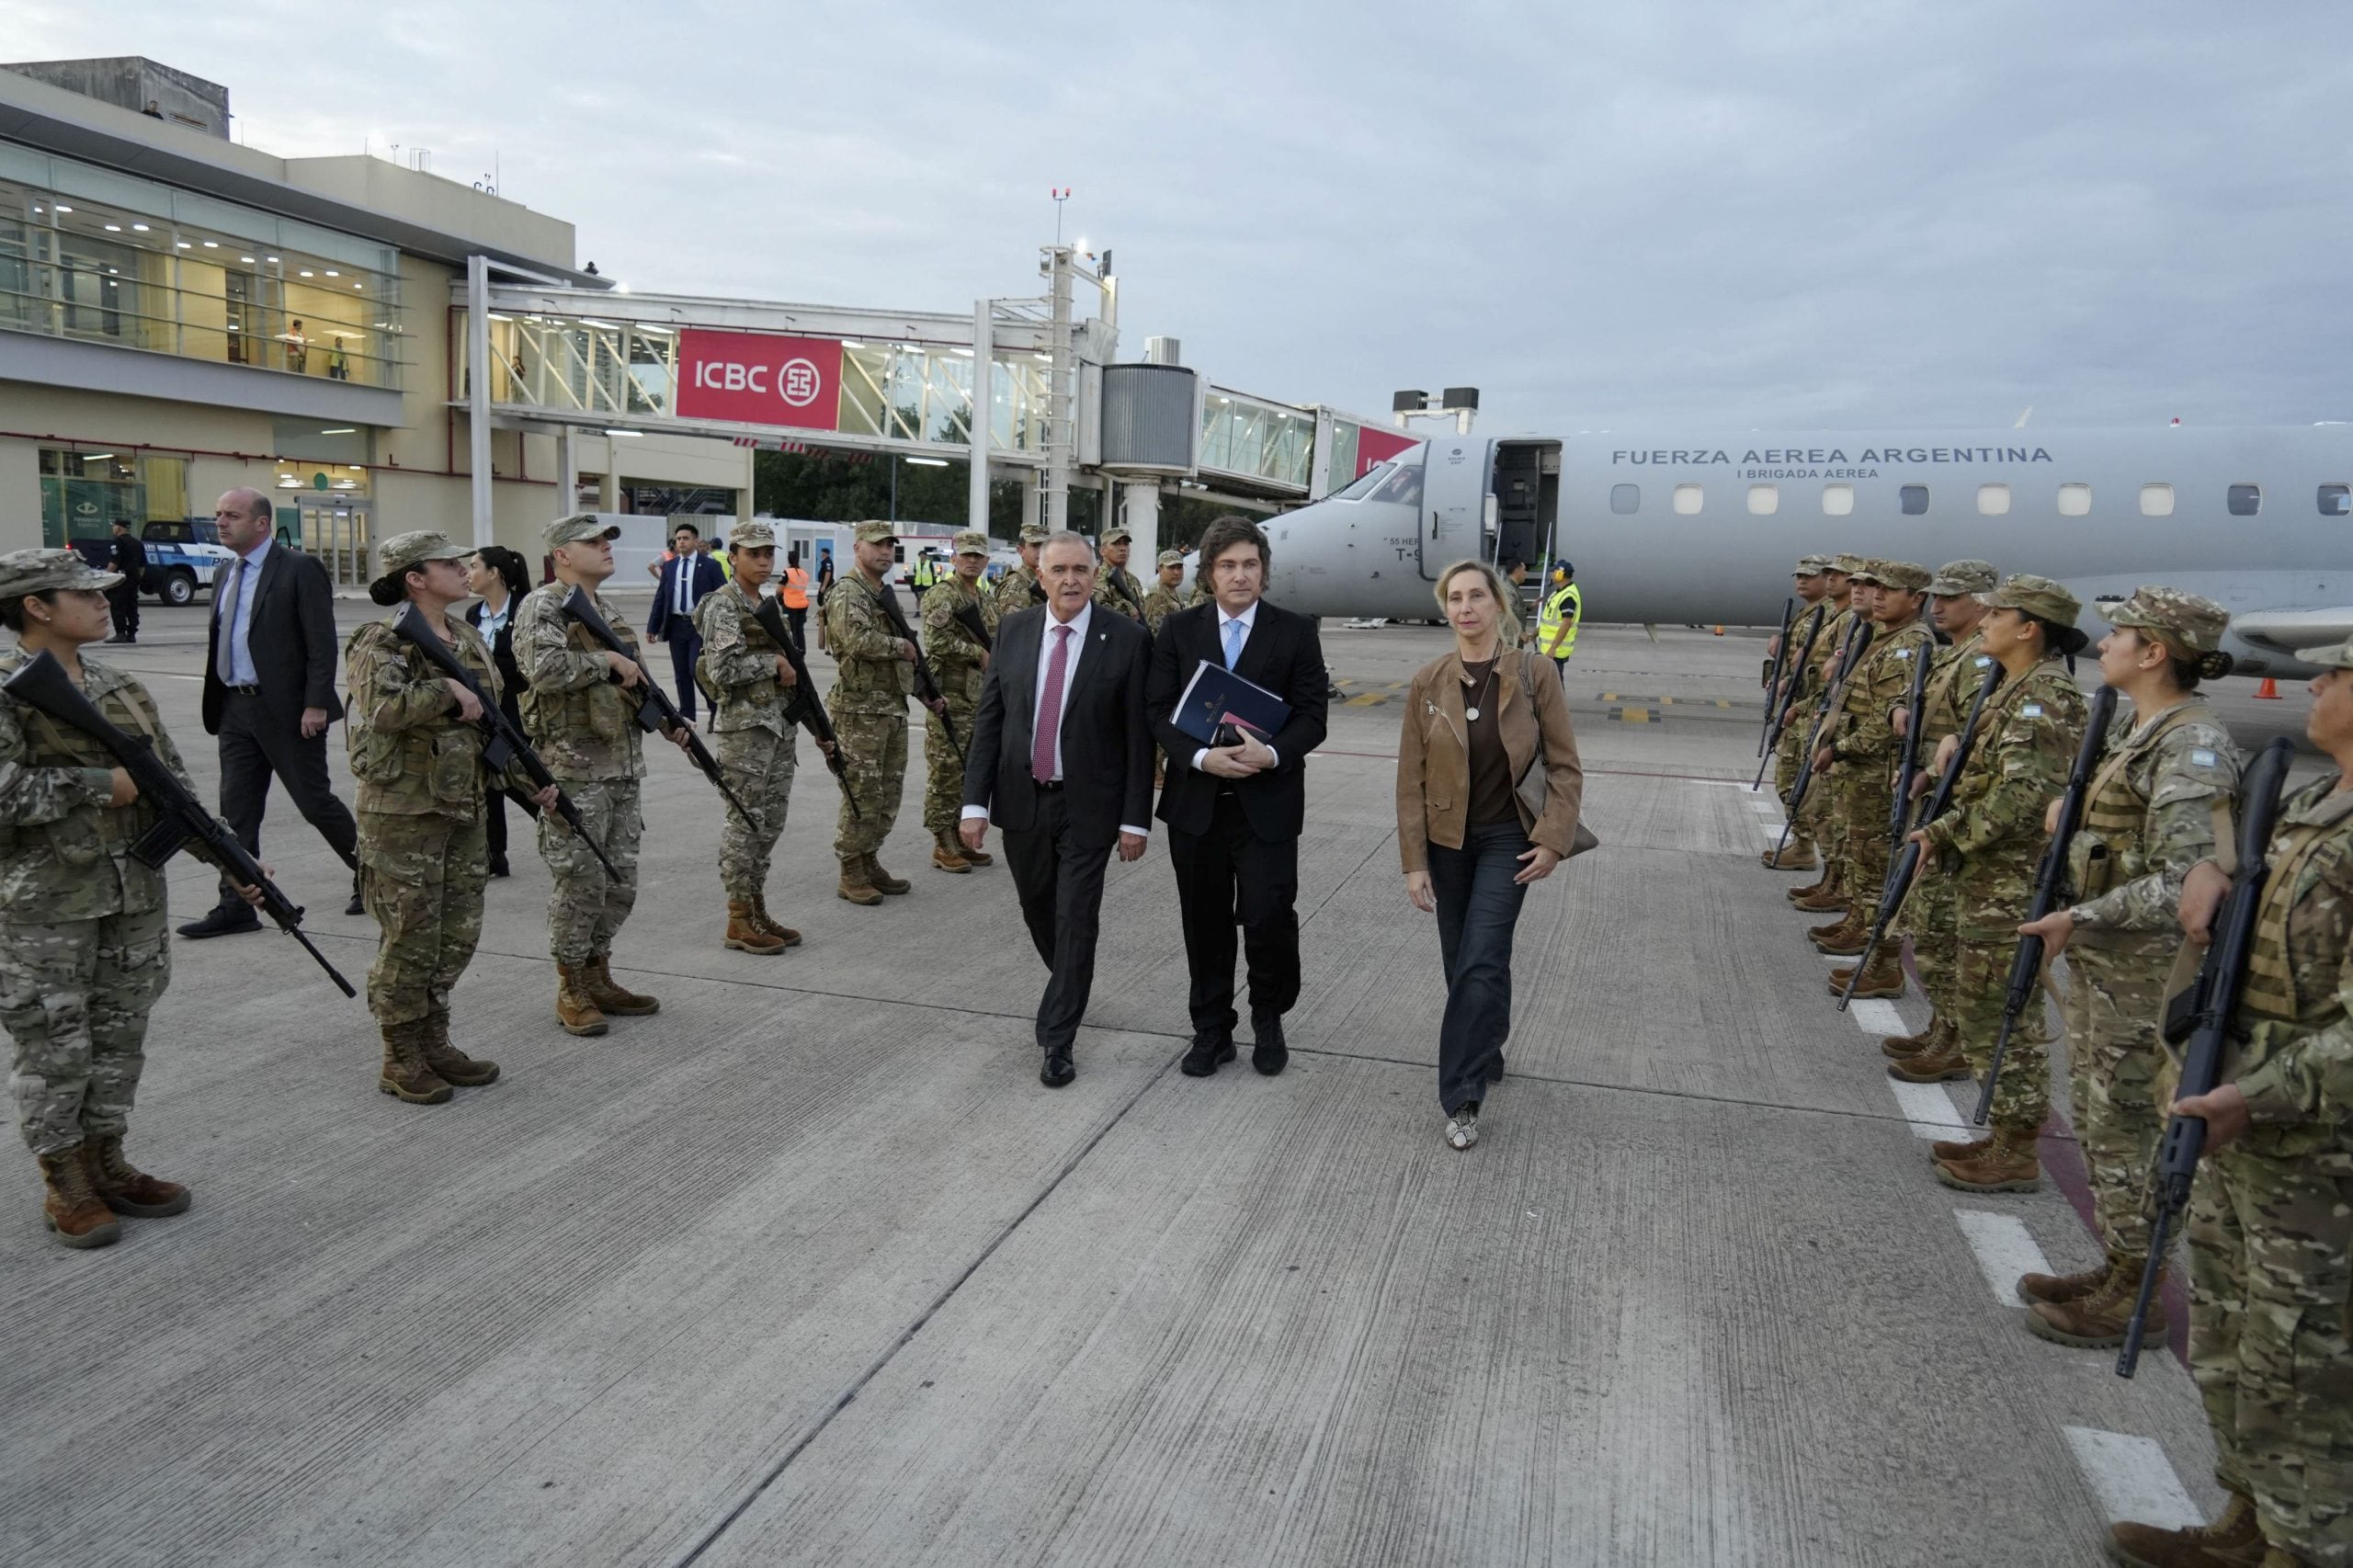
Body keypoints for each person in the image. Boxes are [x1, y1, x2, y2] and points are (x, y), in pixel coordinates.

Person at [2105, 630, 2353, 1568]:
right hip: (2243, 1129)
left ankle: (2302, 1549)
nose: (2317, 683)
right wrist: (2216, 869)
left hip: (2318, 1158)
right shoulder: (2308, 803)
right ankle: (2245, 1523)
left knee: (2303, 1372)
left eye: (2338, 674)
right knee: (2230, 1339)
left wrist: (2256, 1091)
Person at [0, 550, 265, 1248]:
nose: (104, 603)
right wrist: (94, 785)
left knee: (120, 1036)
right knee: (56, 1043)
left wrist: (229, 860)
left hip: (133, 895)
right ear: (36, 606)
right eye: (84, 594)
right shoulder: (6, 688)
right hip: (47, 904)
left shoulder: (121, 686)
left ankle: (108, 1160)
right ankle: (65, 1178)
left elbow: (173, 790)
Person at [2005, 587, 2240, 1350]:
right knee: (2108, 1128)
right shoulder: (2141, 732)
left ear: (2155, 653)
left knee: (2131, 1134)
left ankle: (2133, 1291)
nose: (2103, 645)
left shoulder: (2188, 747)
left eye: (2121, 635)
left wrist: (2081, 916)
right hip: (2113, 975)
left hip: (2146, 978)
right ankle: (2118, 1267)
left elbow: (2186, 878)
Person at [347, 532, 555, 1104]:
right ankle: (400, 1054)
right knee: (410, 937)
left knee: (456, 934)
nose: (465, 570)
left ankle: (435, 1041)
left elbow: (490, 722)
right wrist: (444, 690)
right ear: (415, 577)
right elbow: (383, 709)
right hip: (404, 813)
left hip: (465, 805)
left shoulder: (464, 634)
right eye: (448, 564)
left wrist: (527, 784)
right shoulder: (381, 640)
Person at [1908, 574, 2088, 1193]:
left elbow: (2023, 795)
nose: (1984, 620)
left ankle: (2017, 1149)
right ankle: (2005, 1136)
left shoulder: (2045, 696)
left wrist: (1948, 830)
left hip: (2009, 882)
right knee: (1984, 1008)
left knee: (2004, 1011)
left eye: (1998, 613)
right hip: (1986, 876)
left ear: (2029, 628)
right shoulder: (2010, 686)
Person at [1395, 559, 1585, 1150]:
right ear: (1445, 608)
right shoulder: (1429, 681)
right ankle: (1487, 1042)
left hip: (1509, 838)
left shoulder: (1535, 674)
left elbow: (1564, 765)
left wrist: (1553, 837)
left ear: (1499, 606)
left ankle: (1462, 1095)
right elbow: (1411, 778)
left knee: (1481, 956)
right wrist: (1413, 860)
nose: (1466, 607)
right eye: (1455, 598)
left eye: (1478, 596)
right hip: (1448, 841)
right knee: (1465, 962)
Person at [961, 531, 1154, 1087]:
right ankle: (1071, 982)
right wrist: (974, 804)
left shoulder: (1126, 638)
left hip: (1089, 804)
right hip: (1022, 800)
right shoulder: (1015, 631)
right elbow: (990, 722)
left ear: (1095, 576)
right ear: (1039, 576)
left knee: (1076, 917)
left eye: (1082, 570)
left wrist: (1134, 818)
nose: (1071, 580)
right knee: (1039, 909)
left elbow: (1138, 739)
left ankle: (1057, 1037)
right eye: (1059, 570)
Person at [1146, 515, 1330, 1077]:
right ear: (1209, 574)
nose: (1240, 575)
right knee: (1203, 922)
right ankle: (1211, 1029)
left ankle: (1268, 1016)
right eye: (1227, 565)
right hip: (1197, 805)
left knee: (1269, 915)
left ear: (1264, 571)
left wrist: (1270, 754)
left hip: (1267, 802)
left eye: (1250, 564)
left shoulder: (1296, 631)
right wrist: (1202, 757)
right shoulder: (1178, 632)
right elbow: (1157, 711)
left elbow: (1312, 717)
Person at [515, 515, 688, 1035]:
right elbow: (541, 670)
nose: (605, 548)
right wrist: (606, 660)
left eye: (606, 540)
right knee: (580, 882)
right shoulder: (541, 605)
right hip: (573, 770)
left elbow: (634, 685)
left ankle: (598, 973)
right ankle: (570, 985)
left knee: (620, 883)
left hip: (621, 769)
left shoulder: (606, 610)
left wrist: (668, 723)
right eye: (592, 542)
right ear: (561, 555)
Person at [179, 487, 363, 937]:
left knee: (315, 803)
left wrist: (316, 702)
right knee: (235, 814)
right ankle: (237, 906)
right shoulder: (225, 572)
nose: (221, 522)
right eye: (218, 514)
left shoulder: (299, 569)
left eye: (232, 515)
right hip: (233, 708)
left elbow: (321, 642)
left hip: (287, 710)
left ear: (262, 523)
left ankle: (373, 877)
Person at [1881, 559, 1998, 1068]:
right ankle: (1940, 1028)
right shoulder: (1958, 654)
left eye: (1952, 597)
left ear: (1983, 602)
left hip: (1957, 811)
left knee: (1941, 930)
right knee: (1931, 926)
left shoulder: (1978, 660)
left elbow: (1978, 740)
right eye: (1936, 596)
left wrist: (1932, 770)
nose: (1938, 605)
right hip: (1938, 797)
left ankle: (1951, 1040)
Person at [693, 519, 815, 955]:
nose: (763, 561)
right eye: (753, 554)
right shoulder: (723, 607)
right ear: (734, 557)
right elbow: (722, 670)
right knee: (745, 822)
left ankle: (757, 905)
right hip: (745, 730)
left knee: (771, 822)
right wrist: (772, 666)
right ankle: (738, 918)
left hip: (777, 726)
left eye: (768, 554)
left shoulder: (765, 601)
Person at [1815, 561, 1934, 996]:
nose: (1877, 594)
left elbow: (1887, 723)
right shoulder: (1883, 637)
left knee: (1876, 869)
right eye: (1870, 586)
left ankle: (1882, 965)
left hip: (1874, 773)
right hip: (1860, 773)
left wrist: (1841, 748)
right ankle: (1868, 942)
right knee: (1861, 862)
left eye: (1889, 589)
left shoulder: (1911, 645)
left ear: (1916, 598)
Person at [826, 520, 945, 903]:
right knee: (861, 792)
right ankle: (851, 869)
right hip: (859, 712)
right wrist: (901, 646)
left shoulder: (881, 593)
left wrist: (924, 692)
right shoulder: (849, 592)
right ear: (858, 548)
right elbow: (856, 640)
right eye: (877, 545)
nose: (885, 551)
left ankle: (870, 858)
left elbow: (900, 662)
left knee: (887, 792)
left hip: (890, 709)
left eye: (890, 545)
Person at [1783, 553, 1862, 912]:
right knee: (1818, 803)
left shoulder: (1850, 621)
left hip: (1838, 725)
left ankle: (1840, 886)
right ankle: (1832, 879)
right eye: (1827, 574)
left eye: (1838, 576)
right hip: (1817, 710)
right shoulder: (1829, 615)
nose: (1829, 581)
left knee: (1834, 813)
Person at [922, 530, 999, 872]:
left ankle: (959, 837)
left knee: (969, 770)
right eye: (965, 555)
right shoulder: (943, 594)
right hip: (951, 698)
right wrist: (976, 652)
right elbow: (935, 641)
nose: (971, 560)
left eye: (978, 556)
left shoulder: (985, 599)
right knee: (946, 771)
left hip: (978, 698)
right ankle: (942, 842)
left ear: (986, 561)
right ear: (954, 558)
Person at [462, 545, 539, 877]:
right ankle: (495, 855)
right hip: (484, 712)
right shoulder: (472, 616)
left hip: (519, 710)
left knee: (514, 779)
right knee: (489, 779)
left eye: (474, 566)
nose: (469, 573)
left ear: (494, 573)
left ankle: (562, 823)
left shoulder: (525, 610)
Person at [1761, 555, 1834, 871]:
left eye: (1810, 576)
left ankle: (1810, 849)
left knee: (1803, 785)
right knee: (1789, 782)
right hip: (1796, 704)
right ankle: (1803, 845)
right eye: (1799, 576)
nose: (1802, 581)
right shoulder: (1809, 613)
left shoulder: (1832, 615)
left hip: (1809, 708)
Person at [647, 522, 722, 725]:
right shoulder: (670, 567)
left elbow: (722, 596)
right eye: (678, 539)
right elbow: (661, 597)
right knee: (681, 673)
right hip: (676, 625)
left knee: (695, 670)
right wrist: (653, 627)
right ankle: (687, 716)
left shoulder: (710, 566)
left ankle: (715, 706)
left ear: (696, 541)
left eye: (686, 538)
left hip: (700, 626)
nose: (681, 542)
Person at [1532, 560, 1582, 676]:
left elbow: (1566, 624)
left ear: (1560, 573)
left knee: (1555, 687)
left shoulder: (1568, 596)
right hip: (1547, 649)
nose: (1551, 574)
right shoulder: (1559, 593)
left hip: (1555, 651)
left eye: (1554, 572)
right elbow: (1554, 619)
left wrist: (1553, 648)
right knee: (1549, 685)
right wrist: (1538, 631)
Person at [992, 523, 1050, 618]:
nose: (1041, 551)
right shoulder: (1015, 585)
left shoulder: (1046, 579)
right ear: (1021, 550)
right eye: (1035, 546)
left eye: (1045, 546)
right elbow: (1012, 628)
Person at [1091, 525, 1146, 620]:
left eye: (1126, 544)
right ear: (1102, 551)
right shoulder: (1097, 577)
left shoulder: (1133, 580)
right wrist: (1128, 608)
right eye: (1116, 543)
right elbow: (1099, 612)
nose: (1122, 548)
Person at [103, 519, 142, 644]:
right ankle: (131, 634)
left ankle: (120, 634)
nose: (113, 528)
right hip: (133, 579)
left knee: (118, 606)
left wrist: (105, 579)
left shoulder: (118, 542)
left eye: (114, 526)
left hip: (120, 580)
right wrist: (137, 578)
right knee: (132, 606)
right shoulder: (138, 543)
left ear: (119, 528)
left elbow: (114, 562)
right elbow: (142, 565)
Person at [1140, 549, 1188, 637]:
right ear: (1160, 570)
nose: (1177, 572)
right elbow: (1156, 635)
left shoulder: (1175, 594)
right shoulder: (1158, 597)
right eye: (1171, 568)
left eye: (1179, 567)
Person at [779, 548, 813, 653]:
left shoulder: (786, 572)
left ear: (789, 559)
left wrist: (778, 597)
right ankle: (802, 649)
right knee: (800, 629)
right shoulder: (804, 573)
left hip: (790, 604)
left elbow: (779, 589)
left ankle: (793, 650)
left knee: (790, 629)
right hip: (802, 604)